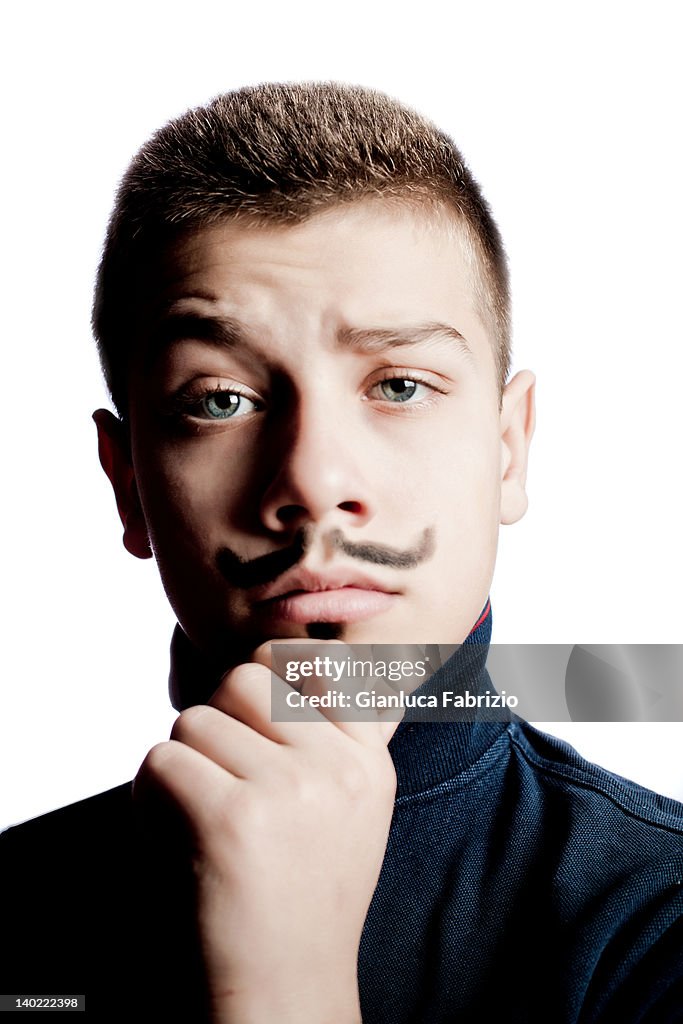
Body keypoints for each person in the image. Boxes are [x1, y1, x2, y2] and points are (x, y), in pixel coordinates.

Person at [1, 82, 682, 1023]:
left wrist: (283, 989)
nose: (313, 482)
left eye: (398, 384)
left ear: (508, 447)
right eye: (218, 400)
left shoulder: (657, 920)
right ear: (128, 483)